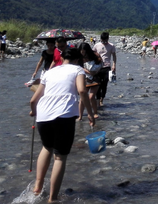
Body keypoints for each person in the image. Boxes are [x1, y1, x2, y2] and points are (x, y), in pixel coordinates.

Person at [29, 48, 95, 202]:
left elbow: (33, 100)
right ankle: (52, 199)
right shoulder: (78, 70)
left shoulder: (50, 72)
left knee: (47, 147)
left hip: (43, 115)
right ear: (78, 60)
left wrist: (33, 111)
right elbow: (82, 91)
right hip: (63, 116)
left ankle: (37, 188)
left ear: (63, 58)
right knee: (59, 158)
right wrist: (90, 114)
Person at [79, 43, 102, 119]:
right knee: (82, 98)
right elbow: (78, 67)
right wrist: (88, 71)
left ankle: (95, 113)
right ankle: (80, 116)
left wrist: (94, 71)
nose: (82, 53)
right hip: (84, 78)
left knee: (91, 97)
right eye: (81, 51)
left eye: (84, 51)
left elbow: (101, 64)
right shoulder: (79, 57)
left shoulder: (95, 56)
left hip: (95, 78)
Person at [94, 32, 116, 107]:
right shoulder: (97, 45)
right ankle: (97, 99)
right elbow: (93, 54)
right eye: (102, 40)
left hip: (107, 67)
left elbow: (114, 56)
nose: (104, 42)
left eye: (105, 40)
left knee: (104, 84)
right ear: (100, 39)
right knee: (97, 84)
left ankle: (101, 99)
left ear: (108, 39)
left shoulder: (111, 46)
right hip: (97, 67)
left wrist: (114, 65)